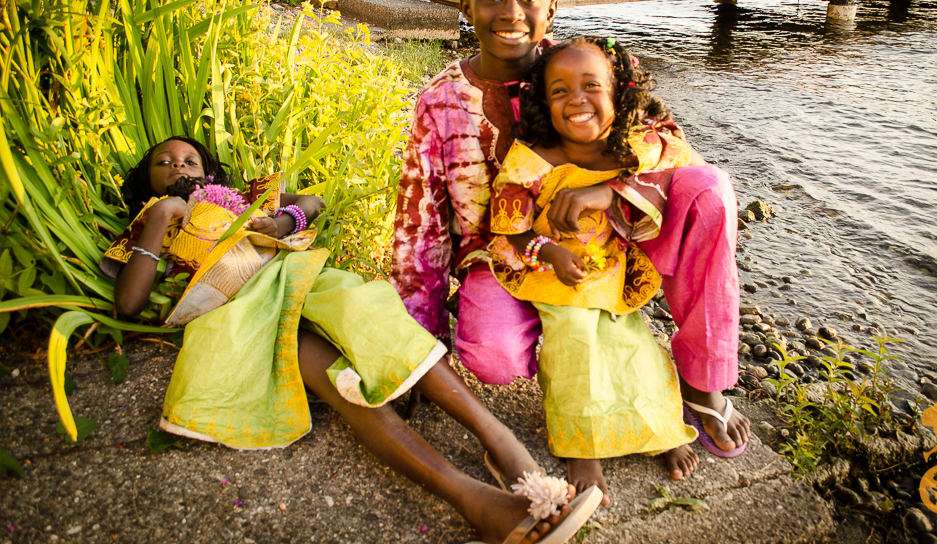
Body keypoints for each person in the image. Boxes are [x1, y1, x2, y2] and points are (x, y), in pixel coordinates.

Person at [101, 136, 603, 544]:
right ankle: (475, 500)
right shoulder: (152, 219)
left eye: (189, 159)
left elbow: (311, 201)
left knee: (375, 322)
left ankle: (501, 441)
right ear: (147, 179)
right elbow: (129, 303)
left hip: (297, 278)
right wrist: (164, 215)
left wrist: (277, 220)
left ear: (210, 171)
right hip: (237, 312)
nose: (177, 165)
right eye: (163, 163)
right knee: (341, 386)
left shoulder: (237, 200)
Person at [391, 0, 751, 473]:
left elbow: (669, 140)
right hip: (506, 256)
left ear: (550, 8)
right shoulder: (441, 102)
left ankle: (701, 381)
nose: (511, 13)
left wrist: (611, 190)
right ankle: (561, 332)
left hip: (608, 241)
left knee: (710, 189)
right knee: (492, 358)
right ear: (466, 7)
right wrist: (418, 351)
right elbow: (419, 226)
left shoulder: (584, 67)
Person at [488, 36, 703, 499]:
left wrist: (613, 187)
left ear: (619, 94)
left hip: (610, 270)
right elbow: (511, 227)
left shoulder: (629, 147)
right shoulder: (531, 160)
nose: (577, 100)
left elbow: (681, 155)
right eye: (560, 90)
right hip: (552, 273)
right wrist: (549, 253)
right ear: (543, 103)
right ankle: (580, 446)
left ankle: (658, 430)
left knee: (635, 348)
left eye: (592, 86)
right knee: (574, 350)